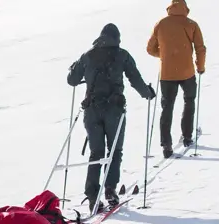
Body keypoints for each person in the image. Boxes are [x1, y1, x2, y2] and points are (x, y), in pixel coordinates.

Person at [68, 23, 156, 211]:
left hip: (91, 111)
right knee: (115, 150)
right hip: (114, 110)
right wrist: (147, 93)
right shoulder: (122, 55)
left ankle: (92, 196)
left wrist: (74, 68)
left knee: (96, 153)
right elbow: (135, 78)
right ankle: (110, 189)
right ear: (117, 38)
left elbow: (72, 80)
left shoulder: (88, 55)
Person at [147, 0, 206, 158]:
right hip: (187, 72)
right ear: (185, 8)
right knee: (189, 101)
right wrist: (200, 67)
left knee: (167, 107)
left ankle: (166, 145)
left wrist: (165, 55)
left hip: (167, 74)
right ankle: (187, 137)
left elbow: (150, 48)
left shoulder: (161, 24)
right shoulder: (191, 24)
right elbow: (201, 48)